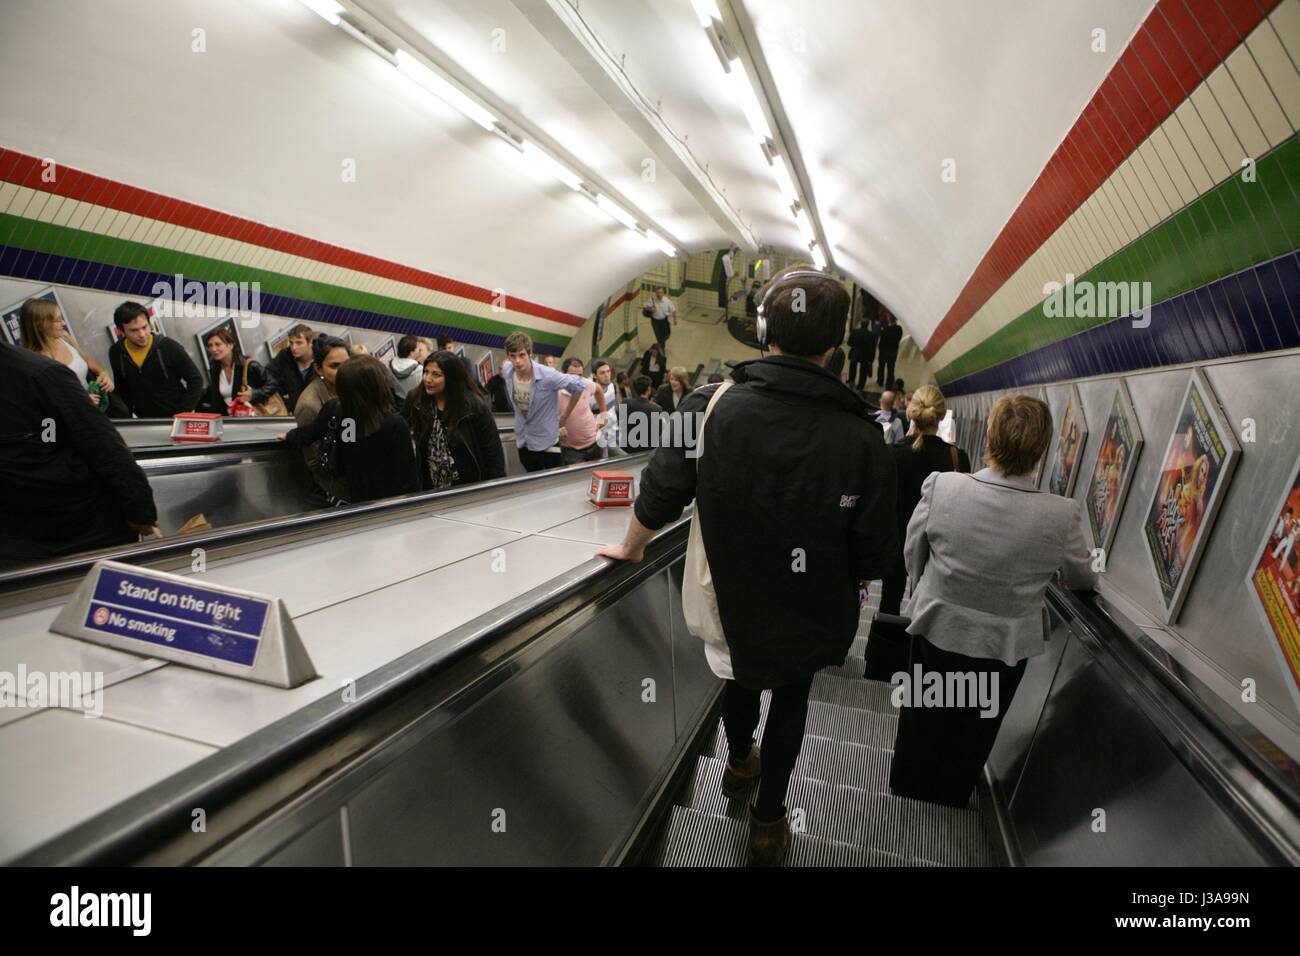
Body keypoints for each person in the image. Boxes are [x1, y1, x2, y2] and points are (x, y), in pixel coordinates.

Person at [597, 266, 897, 865]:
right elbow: (873, 549)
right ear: (837, 347)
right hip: (813, 608)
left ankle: (737, 762)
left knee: (738, 675)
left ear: (765, 331)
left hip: (728, 595)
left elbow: (662, 487)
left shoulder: (710, 406)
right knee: (792, 699)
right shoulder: (863, 435)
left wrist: (632, 544)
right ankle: (768, 820)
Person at [890, 395, 1096, 808]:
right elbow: (1081, 576)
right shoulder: (1062, 514)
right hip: (1005, 643)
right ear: (1042, 449)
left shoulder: (943, 486)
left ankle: (911, 783)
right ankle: (951, 791)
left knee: (926, 709)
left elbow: (913, 551)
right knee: (978, 720)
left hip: (938, 625)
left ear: (988, 434)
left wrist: (924, 586)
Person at [0, 341, 158, 568]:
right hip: (19, 535)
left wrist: (140, 512)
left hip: (84, 530)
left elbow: (103, 444)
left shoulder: (40, 375)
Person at [863, 385, 971, 680]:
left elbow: (879, 501)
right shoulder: (956, 458)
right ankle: (916, 667)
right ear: (941, 415)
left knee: (889, 598)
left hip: (895, 541)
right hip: (937, 548)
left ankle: (880, 664)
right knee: (924, 604)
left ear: (910, 412)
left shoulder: (892, 454)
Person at [284, 356, 419, 503]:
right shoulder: (394, 424)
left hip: (354, 499)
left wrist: (289, 435)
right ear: (377, 385)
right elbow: (408, 476)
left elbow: (310, 433)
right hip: (389, 502)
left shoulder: (340, 413)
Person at [404, 350, 505, 490]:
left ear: (451, 377)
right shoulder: (417, 401)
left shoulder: (473, 406)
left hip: (468, 489)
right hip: (430, 489)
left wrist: (495, 490)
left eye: (436, 374)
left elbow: (493, 454)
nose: (428, 379)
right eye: (426, 372)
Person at [502, 331, 596, 472]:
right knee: (533, 482)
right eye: (512, 356)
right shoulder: (508, 370)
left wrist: (564, 416)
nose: (517, 361)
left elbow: (578, 386)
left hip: (547, 443)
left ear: (530, 354)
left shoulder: (547, 375)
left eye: (522, 355)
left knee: (556, 485)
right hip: (524, 441)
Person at [108, 301, 204, 418]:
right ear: (122, 331)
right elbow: (122, 391)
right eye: (134, 330)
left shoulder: (169, 346)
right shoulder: (116, 352)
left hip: (177, 416)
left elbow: (196, 380)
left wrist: (184, 412)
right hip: (145, 421)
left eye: (144, 327)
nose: (142, 334)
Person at [18, 298, 114, 411]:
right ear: (40, 325)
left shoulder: (64, 337)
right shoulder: (33, 363)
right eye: (58, 320)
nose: (63, 323)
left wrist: (104, 373)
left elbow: (87, 360)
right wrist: (80, 403)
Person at [295, 335, 352, 502]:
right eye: (334, 366)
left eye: (346, 364)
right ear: (318, 369)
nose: (343, 371)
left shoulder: (350, 389)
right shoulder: (309, 405)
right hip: (336, 490)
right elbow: (314, 461)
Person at [198, 326, 279, 415]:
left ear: (230, 345)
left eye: (218, 344)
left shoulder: (249, 365)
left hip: (251, 419)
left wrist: (254, 394)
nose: (213, 349)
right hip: (229, 421)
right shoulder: (215, 369)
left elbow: (273, 384)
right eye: (210, 345)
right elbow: (214, 395)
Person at [558, 357, 607, 464]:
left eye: (579, 376)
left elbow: (598, 390)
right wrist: (557, 428)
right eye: (572, 376)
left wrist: (603, 415)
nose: (576, 380)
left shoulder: (585, 383)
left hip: (594, 443)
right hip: (571, 450)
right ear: (563, 374)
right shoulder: (556, 391)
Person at [269, 323, 317, 413]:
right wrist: (287, 404)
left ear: (310, 342)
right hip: (292, 414)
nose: (294, 348)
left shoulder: (320, 360)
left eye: (299, 343)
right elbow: (269, 378)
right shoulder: (285, 357)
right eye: (291, 343)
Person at [617, 374, 662, 453]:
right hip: (646, 451)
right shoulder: (656, 409)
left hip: (626, 449)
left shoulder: (625, 402)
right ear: (649, 389)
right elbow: (658, 434)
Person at [384, 335, 424, 406]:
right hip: (414, 404)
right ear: (411, 353)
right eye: (418, 349)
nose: (420, 351)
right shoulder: (419, 370)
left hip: (398, 402)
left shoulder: (389, 365)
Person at [847, 315, 878, 392]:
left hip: (855, 352)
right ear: (868, 325)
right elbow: (872, 348)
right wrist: (871, 358)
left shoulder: (855, 331)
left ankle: (851, 380)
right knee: (863, 370)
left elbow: (849, 343)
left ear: (861, 323)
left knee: (852, 367)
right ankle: (860, 385)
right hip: (865, 355)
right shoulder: (871, 335)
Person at [645, 286, 677, 352]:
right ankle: (661, 350)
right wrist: (650, 309)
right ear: (655, 293)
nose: (659, 294)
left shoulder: (667, 301)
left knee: (667, 335)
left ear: (663, 293)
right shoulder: (652, 300)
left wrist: (675, 319)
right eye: (657, 292)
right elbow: (645, 308)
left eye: (661, 292)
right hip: (655, 321)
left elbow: (673, 310)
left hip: (664, 320)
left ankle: (660, 345)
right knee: (659, 337)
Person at [876, 308, 902, 387]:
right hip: (893, 351)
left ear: (889, 319)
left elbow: (882, 340)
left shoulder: (885, 330)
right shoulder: (899, 329)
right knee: (891, 368)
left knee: (881, 367)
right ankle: (889, 383)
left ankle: (880, 381)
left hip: (884, 352)